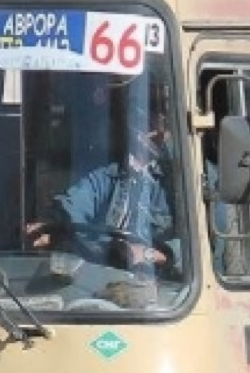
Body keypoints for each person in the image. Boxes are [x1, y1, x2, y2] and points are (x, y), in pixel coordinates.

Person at [30, 107, 182, 272]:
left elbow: (204, 248)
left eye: (162, 120)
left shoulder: (188, 181)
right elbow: (74, 205)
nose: (156, 128)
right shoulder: (108, 175)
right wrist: (51, 224)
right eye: (145, 116)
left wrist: (150, 254)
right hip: (104, 273)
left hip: (164, 284)